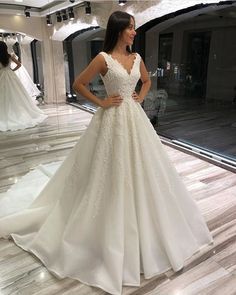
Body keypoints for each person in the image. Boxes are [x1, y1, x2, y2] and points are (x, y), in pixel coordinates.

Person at [0, 11, 213, 295]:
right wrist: (100, 102)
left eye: (135, 28)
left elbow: (146, 81)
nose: (134, 32)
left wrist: (142, 94)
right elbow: (78, 84)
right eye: (130, 28)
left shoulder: (137, 59)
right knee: (107, 170)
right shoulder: (103, 59)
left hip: (135, 120)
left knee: (144, 169)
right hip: (111, 119)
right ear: (119, 30)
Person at [0, 41, 47, 131]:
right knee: (15, 94)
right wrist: (12, 70)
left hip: (1, 76)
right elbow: (19, 64)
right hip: (10, 75)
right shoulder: (9, 56)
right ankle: (16, 111)